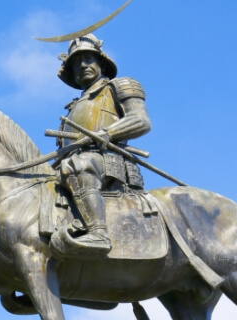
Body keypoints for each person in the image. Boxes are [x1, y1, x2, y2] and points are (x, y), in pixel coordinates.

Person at [54, 34, 150, 256]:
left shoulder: (119, 86)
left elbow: (141, 121)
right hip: (71, 166)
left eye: (88, 59)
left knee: (80, 164)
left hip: (107, 162)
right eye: (76, 63)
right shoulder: (74, 105)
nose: (83, 66)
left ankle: (98, 233)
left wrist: (107, 133)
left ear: (101, 63)